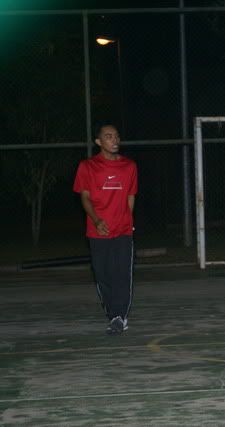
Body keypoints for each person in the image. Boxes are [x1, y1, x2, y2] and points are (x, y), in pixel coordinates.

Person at [73, 123, 137, 335]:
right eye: (109, 137)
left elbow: (130, 196)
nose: (115, 140)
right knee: (103, 275)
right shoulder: (87, 166)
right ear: (99, 142)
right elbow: (85, 197)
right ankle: (112, 314)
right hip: (97, 231)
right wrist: (97, 220)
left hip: (123, 230)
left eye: (117, 136)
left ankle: (120, 316)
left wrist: (128, 220)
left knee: (122, 275)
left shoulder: (129, 166)